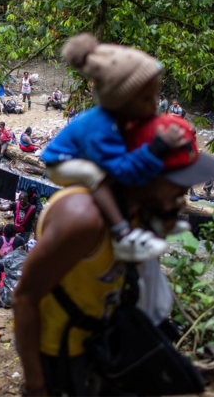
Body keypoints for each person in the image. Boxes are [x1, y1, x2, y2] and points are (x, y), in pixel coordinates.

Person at [12, 114, 214, 396]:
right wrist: (36, 383)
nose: (185, 195)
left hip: (102, 340)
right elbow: (25, 298)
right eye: (178, 182)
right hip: (61, 355)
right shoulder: (83, 219)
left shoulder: (137, 211)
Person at [41, 33, 188, 261]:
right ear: (121, 100)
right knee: (97, 175)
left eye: (154, 98)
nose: (153, 106)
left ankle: (158, 215)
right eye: (146, 99)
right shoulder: (101, 127)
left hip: (92, 155)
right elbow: (120, 168)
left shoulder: (122, 121)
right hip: (63, 161)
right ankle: (122, 234)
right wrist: (156, 147)